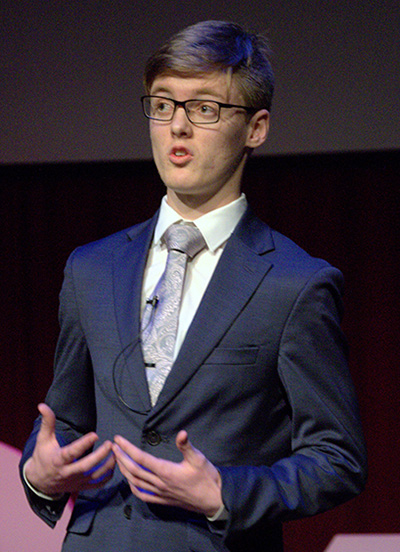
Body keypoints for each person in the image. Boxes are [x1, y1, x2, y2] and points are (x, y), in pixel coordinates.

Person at [20, 20, 367, 552]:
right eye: (163, 104)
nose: (177, 126)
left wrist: (223, 491)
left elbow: (337, 459)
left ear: (256, 127)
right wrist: (39, 473)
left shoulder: (296, 284)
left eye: (204, 108)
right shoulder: (90, 268)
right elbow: (66, 420)